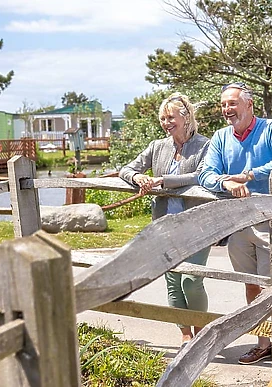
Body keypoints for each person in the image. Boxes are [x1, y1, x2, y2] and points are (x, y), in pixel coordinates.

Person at [198, 82, 272, 365]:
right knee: (250, 283)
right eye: (223, 105)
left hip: (269, 219)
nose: (227, 110)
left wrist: (249, 175)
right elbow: (205, 173)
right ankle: (263, 342)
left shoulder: (271, 129)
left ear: (248, 105)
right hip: (238, 221)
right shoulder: (220, 137)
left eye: (232, 103)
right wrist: (225, 181)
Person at [119, 93, 211, 349]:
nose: (166, 122)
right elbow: (127, 168)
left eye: (171, 117)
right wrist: (138, 178)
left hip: (197, 224)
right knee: (173, 282)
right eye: (163, 118)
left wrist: (162, 181)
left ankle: (200, 328)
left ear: (186, 117)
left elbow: (202, 175)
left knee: (191, 281)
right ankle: (185, 333)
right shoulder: (157, 146)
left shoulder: (205, 145)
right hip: (165, 226)